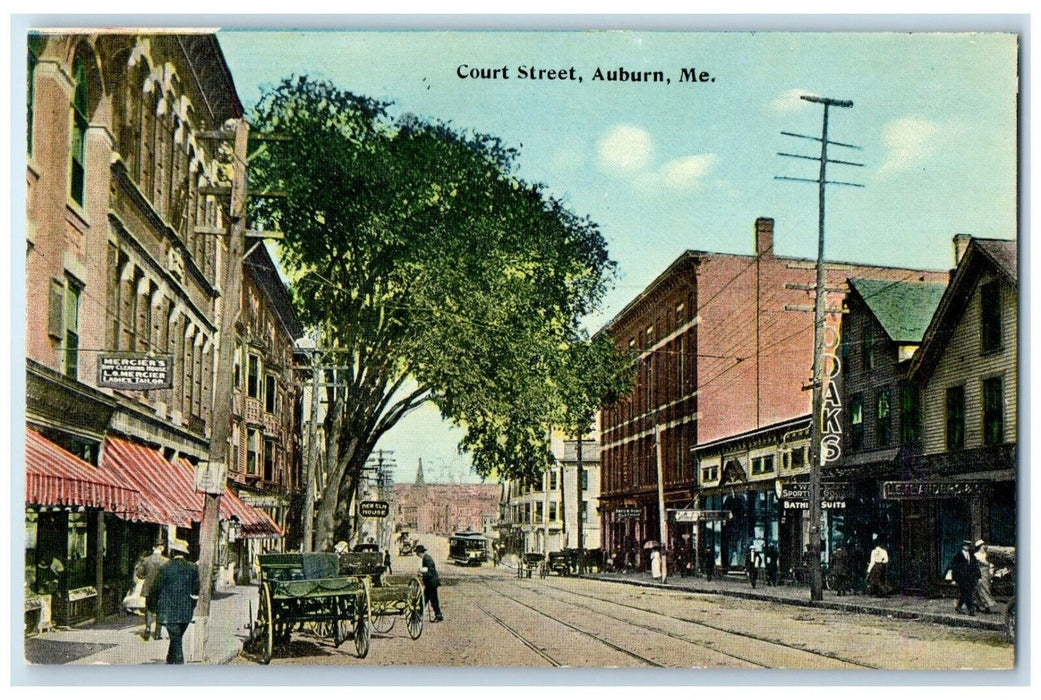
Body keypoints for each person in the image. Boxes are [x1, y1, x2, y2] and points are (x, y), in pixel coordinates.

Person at [151, 538, 199, 664]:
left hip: (168, 611)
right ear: (185, 553)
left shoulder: (165, 568)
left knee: (176, 638)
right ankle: (170, 659)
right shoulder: (192, 568)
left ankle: (178, 663)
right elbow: (196, 590)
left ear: (172, 552)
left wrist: (152, 606)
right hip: (186, 611)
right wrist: (192, 604)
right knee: (177, 637)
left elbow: (155, 588)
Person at [135, 543, 168, 640]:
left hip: (148, 588)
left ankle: (148, 629)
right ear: (162, 548)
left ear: (153, 548)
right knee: (160, 610)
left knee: (149, 609)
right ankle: (157, 633)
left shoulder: (146, 560)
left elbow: (140, 574)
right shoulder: (166, 561)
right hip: (161, 589)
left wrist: (147, 577)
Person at [946, 540, 981, 616]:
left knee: (964, 593)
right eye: (966, 545)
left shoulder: (971, 555)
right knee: (968, 593)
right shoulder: (958, 555)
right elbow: (954, 567)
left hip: (969, 577)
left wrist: (978, 575)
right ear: (963, 546)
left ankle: (959, 606)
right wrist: (954, 578)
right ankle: (970, 610)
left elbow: (975, 566)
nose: (967, 547)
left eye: (968, 545)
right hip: (961, 577)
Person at [415, 545, 443, 622]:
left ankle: (418, 615)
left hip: (431, 582)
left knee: (424, 599)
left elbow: (430, 572)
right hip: (431, 582)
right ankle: (438, 615)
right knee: (433, 600)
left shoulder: (427, 559)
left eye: (417, 553)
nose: (416, 555)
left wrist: (422, 574)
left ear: (419, 552)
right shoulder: (426, 558)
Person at [973, 539, 997, 613]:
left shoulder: (986, 554)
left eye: (984, 545)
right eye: (982, 546)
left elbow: (990, 564)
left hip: (986, 573)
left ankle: (981, 605)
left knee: (984, 589)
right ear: (980, 547)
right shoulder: (976, 555)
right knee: (981, 589)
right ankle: (985, 606)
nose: (984, 547)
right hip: (979, 573)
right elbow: (978, 564)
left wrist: (991, 571)